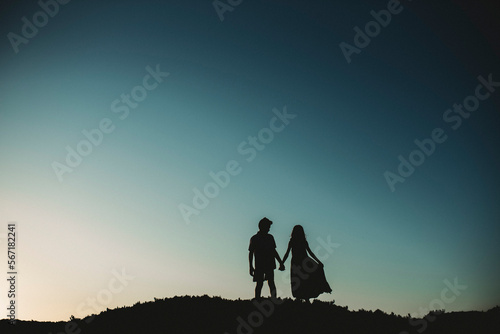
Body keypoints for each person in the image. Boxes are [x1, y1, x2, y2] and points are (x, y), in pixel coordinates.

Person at [282, 225, 332, 302]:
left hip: (298, 263)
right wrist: (318, 261)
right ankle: (305, 298)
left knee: (301, 281)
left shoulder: (294, 241)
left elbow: (287, 253)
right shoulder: (298, 241)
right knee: (304, 281)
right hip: (302, 262)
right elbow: (310, 253)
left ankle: (302, 299)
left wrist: (282, 263)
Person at [249, 217, 285, 299]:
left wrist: (281, 262)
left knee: (271, 283)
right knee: (260, 284)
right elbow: (250, 253)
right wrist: (250, 266)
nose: (269, 229)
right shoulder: (254, 238)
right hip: (259, 265)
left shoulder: (270, 238)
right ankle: (257, 300)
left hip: (269, 264)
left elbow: (274, 251)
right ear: (262, 227)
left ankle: (273, 300)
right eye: (268, 227)